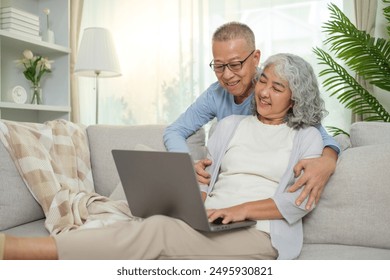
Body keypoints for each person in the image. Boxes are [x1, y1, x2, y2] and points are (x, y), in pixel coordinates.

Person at [2, 53, 326, 260]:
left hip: (260, 233)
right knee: (154, 219)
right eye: (264, 81)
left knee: (158, 230)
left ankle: (21, 251)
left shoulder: (307, 137)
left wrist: (237, 210)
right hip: (211, 220)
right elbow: (207, 182)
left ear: (296, 97)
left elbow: (297, 203)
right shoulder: (229, 126)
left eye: (278, 87)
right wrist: (188, 200)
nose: (265, 92)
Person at [163, 22, 340, 209]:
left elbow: (318, 135)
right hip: (224, 189)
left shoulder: (277, 94)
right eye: (219, 66)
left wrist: (327, 162)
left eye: (235, 64)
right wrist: (186, 167)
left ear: (256, 58)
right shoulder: (216, 95)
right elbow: (174, 130)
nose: (227, 75)